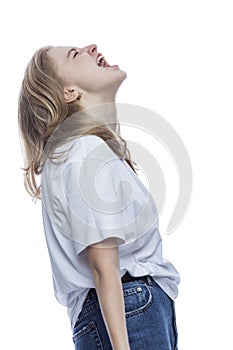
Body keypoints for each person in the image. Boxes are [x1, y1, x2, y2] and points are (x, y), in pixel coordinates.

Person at [18, 44, 180, 350]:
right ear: (68, 92)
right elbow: (103, 266)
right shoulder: (84, 152)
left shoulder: (81, 151)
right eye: (75, 54)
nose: (91, 47)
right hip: (131, 310)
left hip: (131, 309)